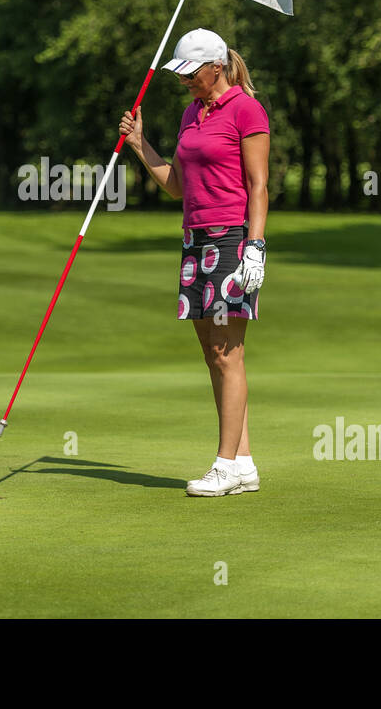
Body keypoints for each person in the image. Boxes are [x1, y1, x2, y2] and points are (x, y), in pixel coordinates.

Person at [118, 28, 270, 497]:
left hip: (231, 240)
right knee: (211, 352)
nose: (184, 80)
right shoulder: (191, 113)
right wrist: (141, 146)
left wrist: (256, 246)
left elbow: (258, 184)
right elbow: (179, 186)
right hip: (195, 239)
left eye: (190, 72)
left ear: (216, 67)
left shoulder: (247, 109)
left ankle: (223, 465)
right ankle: (242, 462)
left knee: (229, 352)